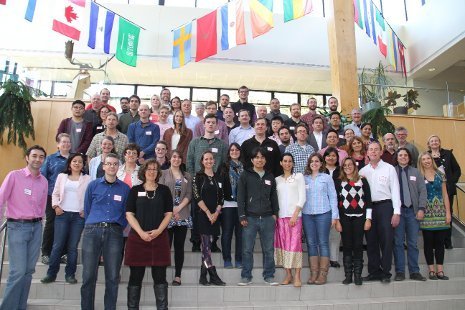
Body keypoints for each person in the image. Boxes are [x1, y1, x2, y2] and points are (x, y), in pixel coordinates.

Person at [0, 145, 47, 310]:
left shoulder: (44, 181)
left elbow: (42, 206)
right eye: (34, 156)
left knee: (28, 271)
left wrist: (41, 224)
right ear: (27, 157)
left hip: (36, 227)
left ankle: (20, 306)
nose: (37, 159)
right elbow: (1, 199)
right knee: (18, 271)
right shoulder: (14, 176)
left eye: (41, 157)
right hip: (17, 227)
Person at [81, 153, 130, 310]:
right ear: (103, 166)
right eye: (109, 164)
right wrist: (93, 223)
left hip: (114, 233)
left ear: (119, 167)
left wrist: (117, 226)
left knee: (113, 276)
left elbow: (126, 212)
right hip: (92, 231)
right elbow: (87, 208)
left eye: (115, 164)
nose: (112, 166)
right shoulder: (93, 185)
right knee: (88, 276)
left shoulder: (124, 188)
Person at [125, 159, 173, 310]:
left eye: (154, 169)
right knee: (135, 277)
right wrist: (141, 233)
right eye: (149, 169)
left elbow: (169, 214)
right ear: (143, 171)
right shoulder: (135, 190)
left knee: (160, 277)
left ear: (158, 173)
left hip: (159, 238)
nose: (151, 172)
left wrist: (158, 231)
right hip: (137, 238)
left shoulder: (164, 190)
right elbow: (129, 214)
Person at [40, 153, 91, 284]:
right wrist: (56, 206)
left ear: (83, 165)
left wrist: (86, 210)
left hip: (78, 217)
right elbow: (55, 193)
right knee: (57, 245)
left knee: (72, 247)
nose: (77, 163)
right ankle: (51, 273)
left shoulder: (87, 179)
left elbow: (89, 197)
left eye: (80, 162)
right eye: (74, 161)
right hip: (62, 215)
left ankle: (70, 274)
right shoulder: (62, 177)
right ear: (69, 163)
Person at [359, 141, 401, 283]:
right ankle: (374, 272)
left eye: (376, 149)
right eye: (371, 149)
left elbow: (395, 190)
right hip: (369, 209)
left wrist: (396, 212)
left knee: (386, 240)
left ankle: (386, 272)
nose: (374, 152)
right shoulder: (363, 171)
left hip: (385, 206)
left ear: (381, 152)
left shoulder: (389, 168)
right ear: (367, 153)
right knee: (371, 241)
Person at [237, 147, 279, 286]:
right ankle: (246, 276)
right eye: (257, 157)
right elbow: (240, 196)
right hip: (250, 218)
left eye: (262, 157)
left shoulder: (269, 176)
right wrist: (242, 215)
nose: (259, 160)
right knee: (247, 249)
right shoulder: (245, 175)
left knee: (269, 249)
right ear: (252, 160)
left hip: (267, 218)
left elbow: (274, 196)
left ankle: (269, 276)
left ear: (265, 160)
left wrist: (275, 214)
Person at [302, 153, 340, 285]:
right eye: (312, 161)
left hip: (324, 213)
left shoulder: (326, 178)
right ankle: (314, 273)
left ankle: (323, 274)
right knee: (311, 243)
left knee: (323, 242)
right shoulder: (304, 178)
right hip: (307, 214)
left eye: (317, 161)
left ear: (321, 163)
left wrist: (335, 216)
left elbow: (333, 196)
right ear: (309, 163)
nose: (314, 163)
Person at [335, 157, 372, 285]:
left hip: (360, 217)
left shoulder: (362, 181)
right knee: (347, 246)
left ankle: (357, 276)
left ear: (354, 166)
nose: (347, 167)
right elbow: (336, 203)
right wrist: (338, 221)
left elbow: (368, 201)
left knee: (357, 245)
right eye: (345, 165)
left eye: (350, 165)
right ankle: (348, 276)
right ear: (342, 167)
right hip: (345, 218)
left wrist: (368, 219)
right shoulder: (339, 182)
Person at [393, 148, 427, 282]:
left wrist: (421, 208)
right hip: (398, 212)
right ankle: (400, 271)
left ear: (409, 157)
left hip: (413, 212)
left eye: (405, 155)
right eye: (400, 155)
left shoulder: (416, 172)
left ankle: (414, 271)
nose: (403, 157)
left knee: (413, 243)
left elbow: (422, 191)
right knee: (398, 243)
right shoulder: (392, 171)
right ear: (397, 157)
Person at [159, 151, 192, 286]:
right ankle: (162, 275)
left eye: (179, 157)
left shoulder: (187, 175)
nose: (176, 159)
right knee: (165, 246)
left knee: (179, 247)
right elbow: (160, 192)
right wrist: (171, 209)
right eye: (174, 157)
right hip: (167, 215)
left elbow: (189, 194)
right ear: (170, 158)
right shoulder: (163, 173)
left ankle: (177, 276)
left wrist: (178, 208)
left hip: (182, 215)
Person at [193, 151, 226, 286]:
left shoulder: (219, 177)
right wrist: (208, 213)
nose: (208, 161)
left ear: (214, 161)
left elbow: (222, 197)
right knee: (206, 246)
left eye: (211, 159)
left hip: (215, 216)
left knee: (207, 246)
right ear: (202, 161)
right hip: (202, 215)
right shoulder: (198, 176)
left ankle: (202, 276)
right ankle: (213, 274)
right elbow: (196, 196)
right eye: (206, 159)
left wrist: (216, 213)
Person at [418, 152, 452, 280]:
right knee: (428, 243)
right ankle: (431, 270)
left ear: (432, 160)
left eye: (428, 158)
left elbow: (445, 195)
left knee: (440, 243)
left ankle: (440, 270)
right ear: (420, 162)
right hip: (426, 214)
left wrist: (448, 213)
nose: (426, 161)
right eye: (424, 159)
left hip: (440, 214)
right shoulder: (419, 176)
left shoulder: (440, 174)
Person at [274, 153, 305, 287]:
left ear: (293, 163)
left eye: (290, 161)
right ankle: (288, 275)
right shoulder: (277, 180)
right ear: (281, 163)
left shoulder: (298, 177)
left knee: (295, 246)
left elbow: (302, 197)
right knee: (283, 247)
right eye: (285, 161)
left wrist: (295, 214)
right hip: (281, 217)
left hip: (295, 217)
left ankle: (297, 276)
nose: (287, 163)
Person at [40, 134, 71, 265]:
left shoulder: (74, 159)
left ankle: (64, 253)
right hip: (52, 196)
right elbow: (43, 176)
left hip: (70, 197)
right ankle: (46, 252)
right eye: (63, 142)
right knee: (51, 223)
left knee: (66, 225)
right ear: (58, 144)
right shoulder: (51, 159)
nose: (66, 144)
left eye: (68, 142)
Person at [427, 135, 461, 249]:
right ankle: (434, 242)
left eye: (436, 140)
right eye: (432, 141)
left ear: (439, 142)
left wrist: (451, 182)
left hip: (447, 189)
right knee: (432, 214)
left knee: (447, 213)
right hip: (432, 189)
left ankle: (447, 241)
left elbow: (457, 170)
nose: (434, 142)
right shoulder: (426, 155)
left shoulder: (448, 154)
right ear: (429, 144)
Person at [219, 143, 244, 269]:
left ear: (240, 151)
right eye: (232, 150)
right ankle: (227, 259)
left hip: (241, 206)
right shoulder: (223, 167)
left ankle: (239, 259)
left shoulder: (245, 167)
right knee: (227, 233)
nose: (234, 152)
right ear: (229, 152)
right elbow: (219, 186)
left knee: (240, 234)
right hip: (227, 205)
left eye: (236, 150)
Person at [322, 147, 342, 268]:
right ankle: (324, 258)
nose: (331, 158)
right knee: (323, 233)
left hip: (339, 205)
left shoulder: (341, 171)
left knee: (335, 233)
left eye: (334, 155)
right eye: (328, 155)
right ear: (324, 158)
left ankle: (334, 258)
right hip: (323, 206)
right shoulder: (319, 170)